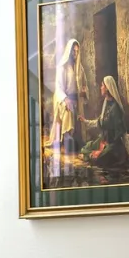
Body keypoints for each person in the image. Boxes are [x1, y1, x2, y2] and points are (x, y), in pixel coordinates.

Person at [45, 37, 81, 179]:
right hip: (61, 97)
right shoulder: (62, 66)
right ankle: (66, 137)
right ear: (69, 51)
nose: (75, 54)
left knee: (73, 108)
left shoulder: (79, 67)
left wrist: (82, 92)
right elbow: (58, 87)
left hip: (73, 97)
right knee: (67, 109)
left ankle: (72, 137)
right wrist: (65, 99)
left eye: (77, 52)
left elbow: (80, 83)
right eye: (73, 51)